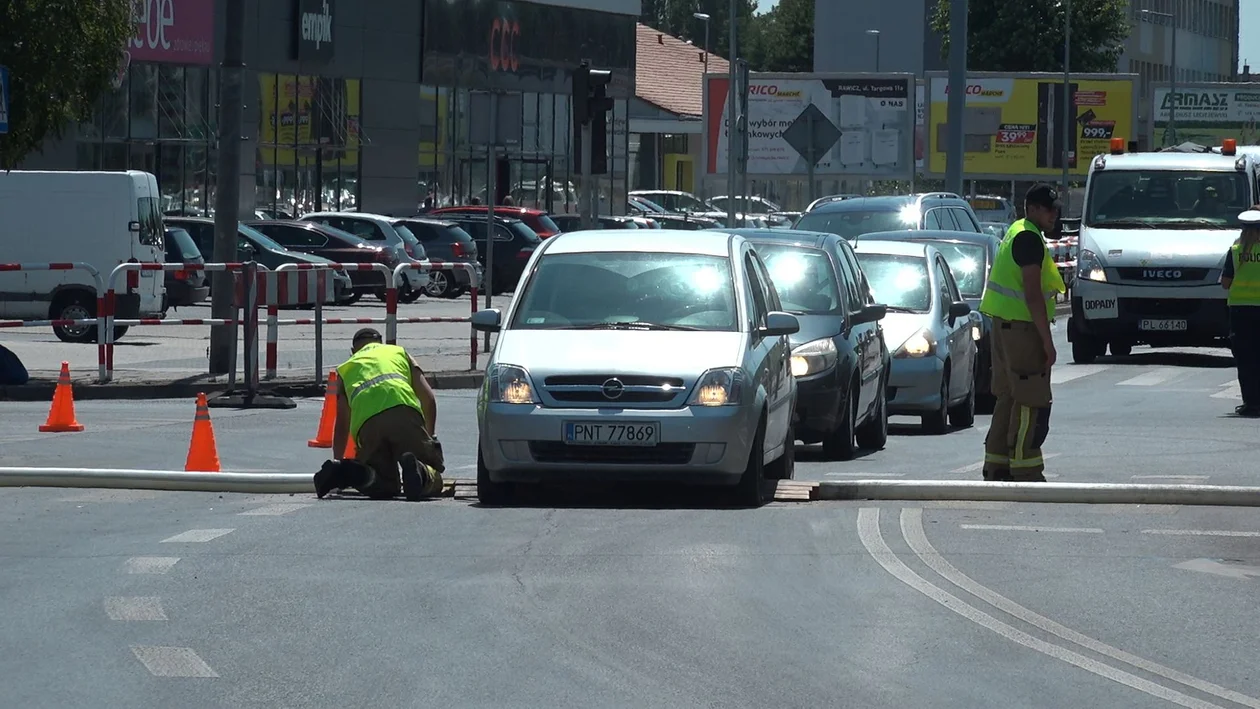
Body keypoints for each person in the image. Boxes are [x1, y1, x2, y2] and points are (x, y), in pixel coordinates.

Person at [979, 184, 1068, 482]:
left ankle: (997, 464)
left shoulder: (1016, 231)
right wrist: (1047, 342)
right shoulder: (1028, 238)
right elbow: (1032, 295)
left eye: (1055, 208)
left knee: (1008, 397)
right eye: (1047, 208)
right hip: (1022, 329)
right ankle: (1025, 468)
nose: (1053, 214)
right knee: (1032, 399)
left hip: (1004, 328)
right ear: (1031, 208)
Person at [314, 328, 446, 500]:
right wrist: (429, 438)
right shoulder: (398, 352)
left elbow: (342, 424)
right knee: (433, 474)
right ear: (381, 343)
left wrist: (340, 462)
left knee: (383, 485)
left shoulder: (346, 368)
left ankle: (362, 475)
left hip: (368, 427)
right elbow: (428, 399)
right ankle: (420, 470)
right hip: (404, 414)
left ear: (353, 351)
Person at [1221, 207, 1260, 417]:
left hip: (1242, 311)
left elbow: (1225, 284)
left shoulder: (1236, 251)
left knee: (1246, 359)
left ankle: (1252, 403)